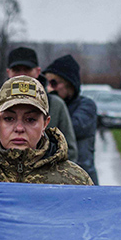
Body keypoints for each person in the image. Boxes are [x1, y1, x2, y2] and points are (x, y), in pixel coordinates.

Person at [0, 47, 77, 164]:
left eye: (31, 119)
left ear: (38, 71)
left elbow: (70, 150)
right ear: (9, 72)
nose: (22, 74)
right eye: (16, 70)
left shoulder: (56, 105)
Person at [44, 54, 98, 183]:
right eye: (47, 82)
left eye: (54, 83)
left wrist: (55, 104)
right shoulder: (52, 105)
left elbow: (70, 129)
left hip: (82, 175)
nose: (49, 88)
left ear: (69, 84)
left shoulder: (86, 105)